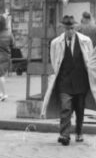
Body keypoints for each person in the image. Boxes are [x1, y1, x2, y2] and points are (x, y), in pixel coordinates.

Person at [41, 15, 96, 145]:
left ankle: (79, 131)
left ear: (75, 27)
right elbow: (55, 61)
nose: (69, 31)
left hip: (81, 80)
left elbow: (89, 59)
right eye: (67, 28)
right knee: (65, 107)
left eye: (72, 28)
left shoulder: (85, 41)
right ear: (63, 28)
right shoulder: (55, 43)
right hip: (64, 81)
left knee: (80, 108)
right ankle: (64, 135)